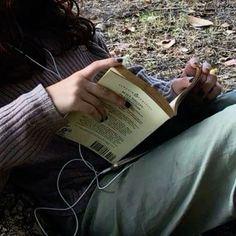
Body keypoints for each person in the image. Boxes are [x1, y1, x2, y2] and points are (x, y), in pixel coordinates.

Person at [0, 0, 236, 235]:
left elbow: (118, 86)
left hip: (143, 152)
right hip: (91, 198)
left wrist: (178, 93)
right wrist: (46, 105)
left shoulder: (52, 20)